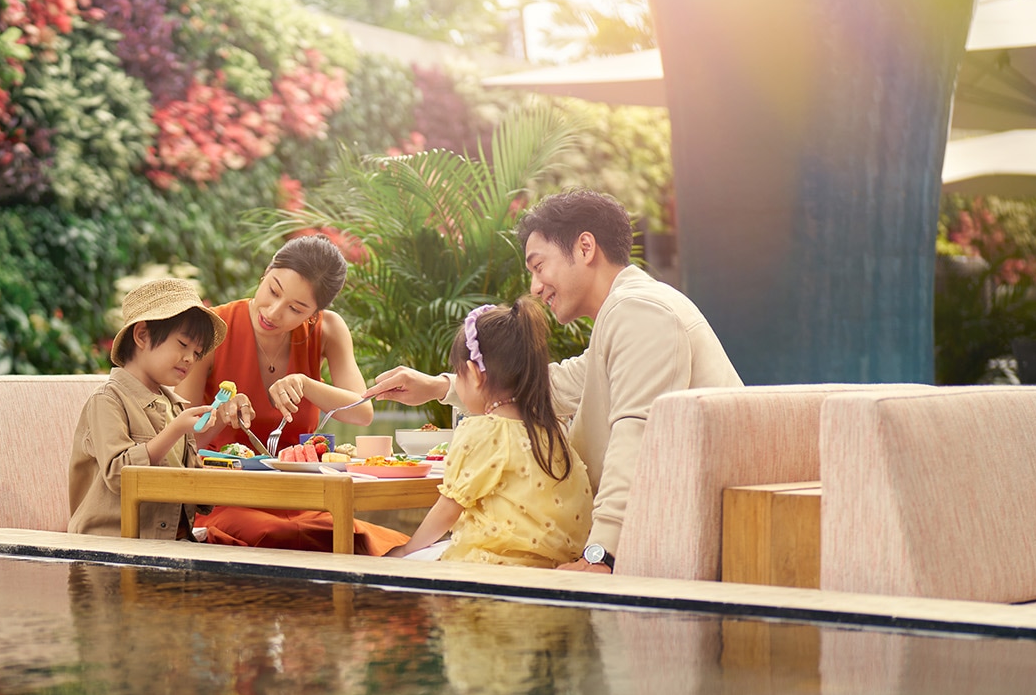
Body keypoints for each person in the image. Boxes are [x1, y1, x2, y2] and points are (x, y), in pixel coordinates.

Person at [363, 190, 741, 573]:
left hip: (672, 535)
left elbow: (637, 440)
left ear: (585, 247)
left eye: (539, 266)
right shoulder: (629, 309)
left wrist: (601, 557)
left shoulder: (640, 312)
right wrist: (441, 385)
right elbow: (552, 386)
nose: (534, 287)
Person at [177, 235, 410, 555]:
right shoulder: (213, 328)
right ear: (266, 271)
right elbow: (181, 441)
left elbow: (361, 412)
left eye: (296, 308)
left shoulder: (327, 330)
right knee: (278, 535)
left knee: (368, 542)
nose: (273, 312)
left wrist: (306, 384)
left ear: (314, 315)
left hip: (301, 497)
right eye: (273, 290)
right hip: (224, 498)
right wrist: (220, 414)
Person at [386, 299, 593, 565]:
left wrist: (406, 550)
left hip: (490, 565)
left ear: (474, 374)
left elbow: (448, 509)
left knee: (404, 567)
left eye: (457, 375)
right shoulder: (554, 430)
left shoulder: (482, 431)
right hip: (552, 567)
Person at [68, 278, 231, 538]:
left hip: (172, 544)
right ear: (142, 335)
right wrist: (176, 430)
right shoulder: (108, 401)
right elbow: (120, 475)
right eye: (182, 345)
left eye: (197, 353)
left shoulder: (175, 407)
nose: (190, 358)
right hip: (113, 547)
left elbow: (191, 486)